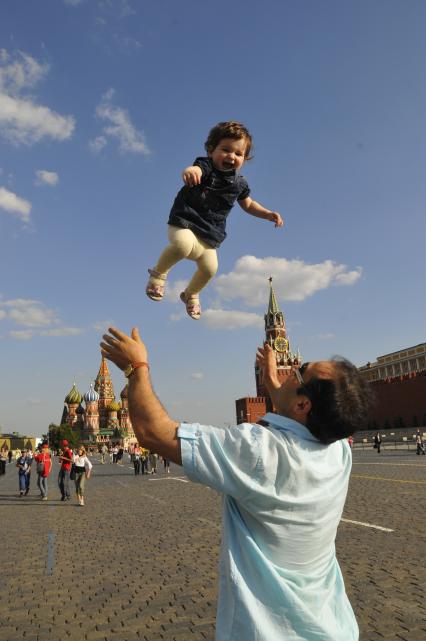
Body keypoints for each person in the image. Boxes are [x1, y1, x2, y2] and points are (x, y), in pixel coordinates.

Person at [100, 326, 373, 641]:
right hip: (333, 628)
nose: (291, 370)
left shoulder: (259, 452)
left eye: (298, 371)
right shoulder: (338, 449)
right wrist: (273, 378)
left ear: (302, 405)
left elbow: (152, 432)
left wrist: (136, 368)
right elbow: (294, 414)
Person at [145, 121, 283, 320]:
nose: (231, 156)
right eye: (225, 150)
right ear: (211, 150)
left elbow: (249, 205)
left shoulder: (240, 184)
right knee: (183, 246)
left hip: (209, 234)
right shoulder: (206, 165)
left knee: (210, 268)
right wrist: (192, 171)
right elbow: (197, 169)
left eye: (238, 154)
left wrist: (268, 214)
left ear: (245, 158)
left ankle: (191, 294)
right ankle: (158, 275)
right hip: (185, 221)